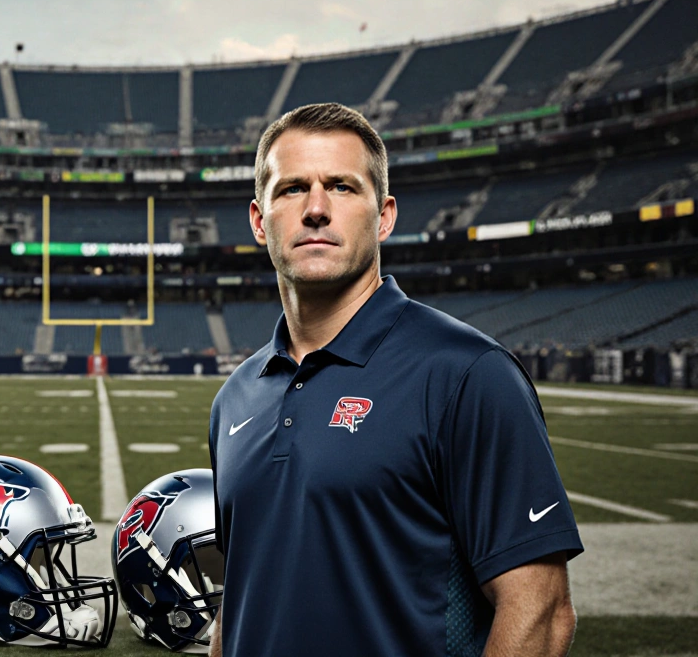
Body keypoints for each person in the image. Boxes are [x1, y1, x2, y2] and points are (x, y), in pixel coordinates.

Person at [208, 103, 583, 657]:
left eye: (341, 186)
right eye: (291, 189)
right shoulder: (234, 397)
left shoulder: (466, 373)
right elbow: (239, 600)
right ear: (260, 221)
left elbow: (542, 613)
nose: (315, 208)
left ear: (383, 216)